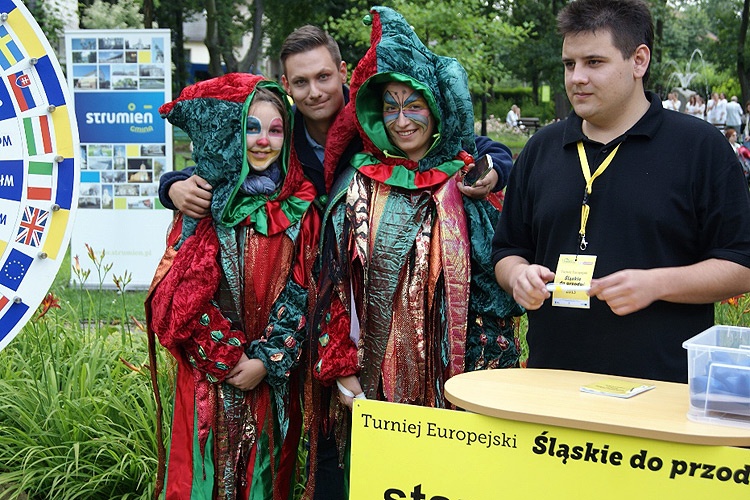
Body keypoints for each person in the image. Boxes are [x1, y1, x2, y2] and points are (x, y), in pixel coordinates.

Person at [307, 6, 523, 499]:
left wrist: (483, 379)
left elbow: (492, 293)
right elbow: (330, 285)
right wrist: (341, 366)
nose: (402, 121)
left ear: (436, 106)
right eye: (390, 107)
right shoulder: (356, 184)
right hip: (370, 390)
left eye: (414, 105)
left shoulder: (468, 184)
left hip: (453, 389)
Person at [492, 0, 750, 385]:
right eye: (569, 64)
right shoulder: (541, 148)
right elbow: (508, 250)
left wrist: (657, 284)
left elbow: (741, 265)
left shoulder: (699, 148)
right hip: (550, 385)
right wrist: (518, 276)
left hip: (662, 390)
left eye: (594, 62)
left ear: (638, 61)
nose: (576, 77)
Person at [145, 73, 320, 499]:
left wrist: (265, 360)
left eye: (275, 130)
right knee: (201, 479)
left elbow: (304, 290)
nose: (263, 141)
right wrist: (224, 355)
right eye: (251, 128)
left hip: (271, 382)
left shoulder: (301, 208)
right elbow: (179, 294)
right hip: (206, 378)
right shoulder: (202, 201)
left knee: (265, 479)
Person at [157, 30, 514, 215]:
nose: (314, 92)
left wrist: (495, 170)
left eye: (323, 77)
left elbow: (479, 148)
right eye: (301, 82)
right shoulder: (278, 134)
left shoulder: (378, 123)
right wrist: (173, 187)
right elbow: (224, 164)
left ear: (342, 71)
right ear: (286, 85)